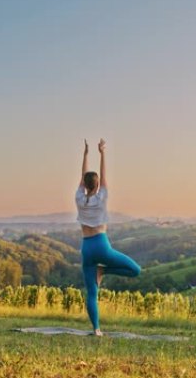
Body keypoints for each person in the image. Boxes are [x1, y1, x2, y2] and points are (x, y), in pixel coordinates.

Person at [76, 138, 141, 336]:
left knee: (91, 294)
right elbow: (103, 176)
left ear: (85, 185)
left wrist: (86, 154)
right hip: (102, 246)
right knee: (135, 270)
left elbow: (82, 177)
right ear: (97, 185)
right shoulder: (102, 197)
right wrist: (102, 153)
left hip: (87, 248)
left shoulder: (79, 198)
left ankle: (96, 329)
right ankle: (103, 271)